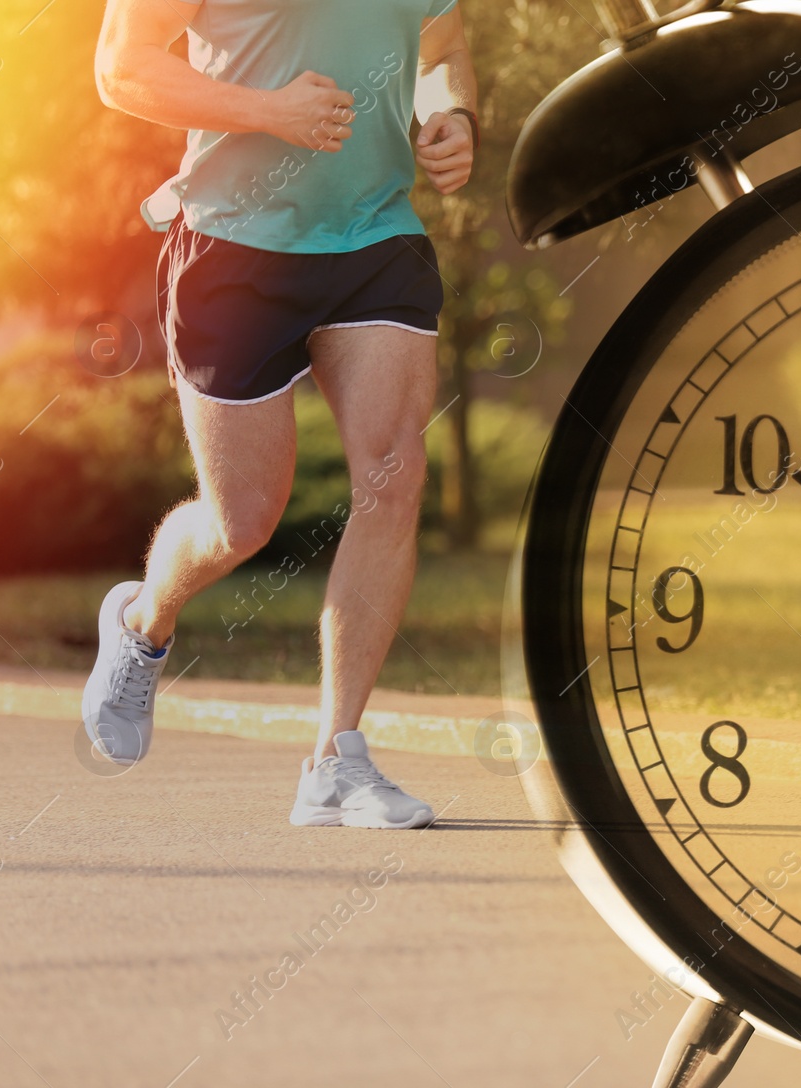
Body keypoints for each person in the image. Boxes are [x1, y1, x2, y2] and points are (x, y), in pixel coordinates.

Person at [86, 0, 477, 828]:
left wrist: (448, 113)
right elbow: (122, 66)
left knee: (395, 471)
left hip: (375, 238)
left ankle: (337, 760)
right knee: (242, 523)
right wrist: (268, 111)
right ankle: (142, 623)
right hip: (234, 244)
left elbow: (442, 43)